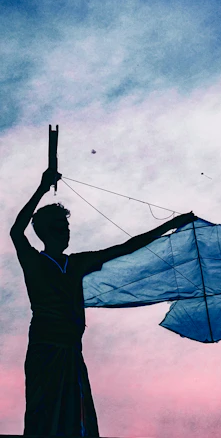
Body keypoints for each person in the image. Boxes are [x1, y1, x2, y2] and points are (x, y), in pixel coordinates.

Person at [9, 167, 196, 437]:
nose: (66, 233)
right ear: (46, 232)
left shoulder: (76, 263)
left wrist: (170, 224)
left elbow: (126, 247)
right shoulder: (35, 262)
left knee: (75, 419)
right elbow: (16, 232)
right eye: (61, 228)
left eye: (68, 228)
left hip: (72, 350)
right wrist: (42, 187)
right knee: (44, 415)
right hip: (45, 348)